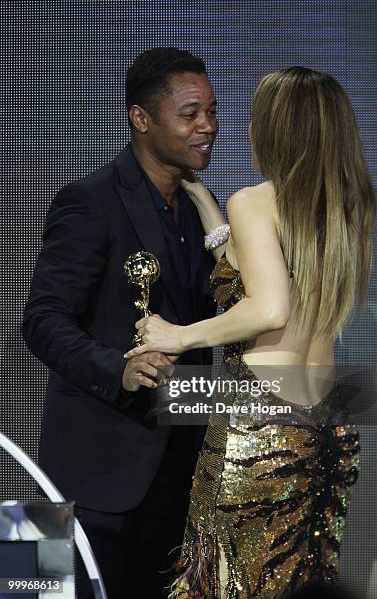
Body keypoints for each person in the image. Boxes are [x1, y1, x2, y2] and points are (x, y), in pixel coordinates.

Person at [125, 66, 376, 597]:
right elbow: (262, 270)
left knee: (227, 581)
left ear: (278, 130)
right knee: (296, 579)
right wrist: (209, 207)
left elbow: (268, 307)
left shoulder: (257, 200)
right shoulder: (349, 205)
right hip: (323, 429)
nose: (242, 129)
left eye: (257, 118)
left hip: (257, 428)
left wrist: (177, 335)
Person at [21, 47, 218, 598]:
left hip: (178, 478)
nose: (207, 126)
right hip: (87, 472)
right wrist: (119, 370)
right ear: (141, 118)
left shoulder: (204, 210)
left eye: (212, 111)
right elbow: (40, 320)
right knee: (38, 592)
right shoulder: (89, 200)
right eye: (190, 113)